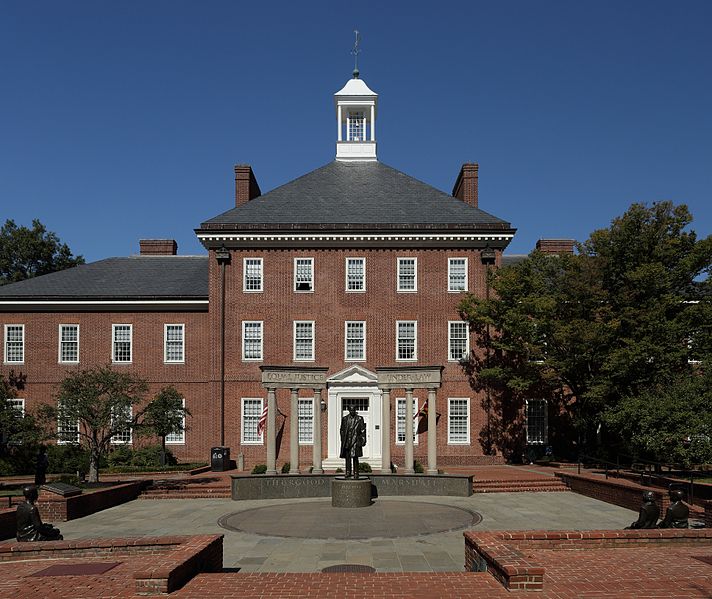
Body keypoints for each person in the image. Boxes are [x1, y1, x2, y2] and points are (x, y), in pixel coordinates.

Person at [339, 405, 366, 479]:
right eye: (351, 410)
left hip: (356, 441)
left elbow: (363, 430)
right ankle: (348, 472)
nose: (352, 411)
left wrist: (363, 440)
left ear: (355, 410)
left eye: (353, 410)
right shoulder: (344, 419)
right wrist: (343, 439)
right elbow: (341, 429)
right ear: (348, 410)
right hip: (347, 441)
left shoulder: (360, 419)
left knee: (355, 458)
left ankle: (356, 473)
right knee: (347, 458)